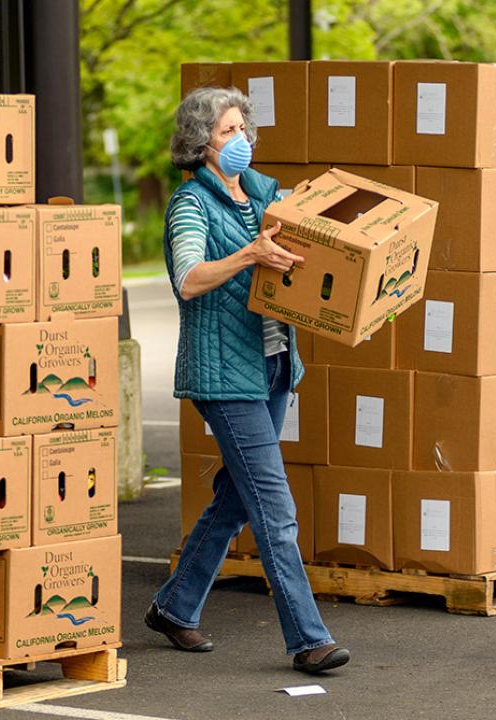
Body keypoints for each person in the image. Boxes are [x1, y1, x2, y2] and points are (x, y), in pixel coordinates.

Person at [144, 86, 351, 674]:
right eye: (228, 131)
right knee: (274, 508)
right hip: (224, 376)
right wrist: (249, 256)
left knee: (237, 498)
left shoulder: (264, 195)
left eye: (244, 129)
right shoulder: (190, 206)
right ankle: (308, 640)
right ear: (200, 142)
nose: (242, 140)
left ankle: (174, 607)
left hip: (275, 365)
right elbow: (187, 279)